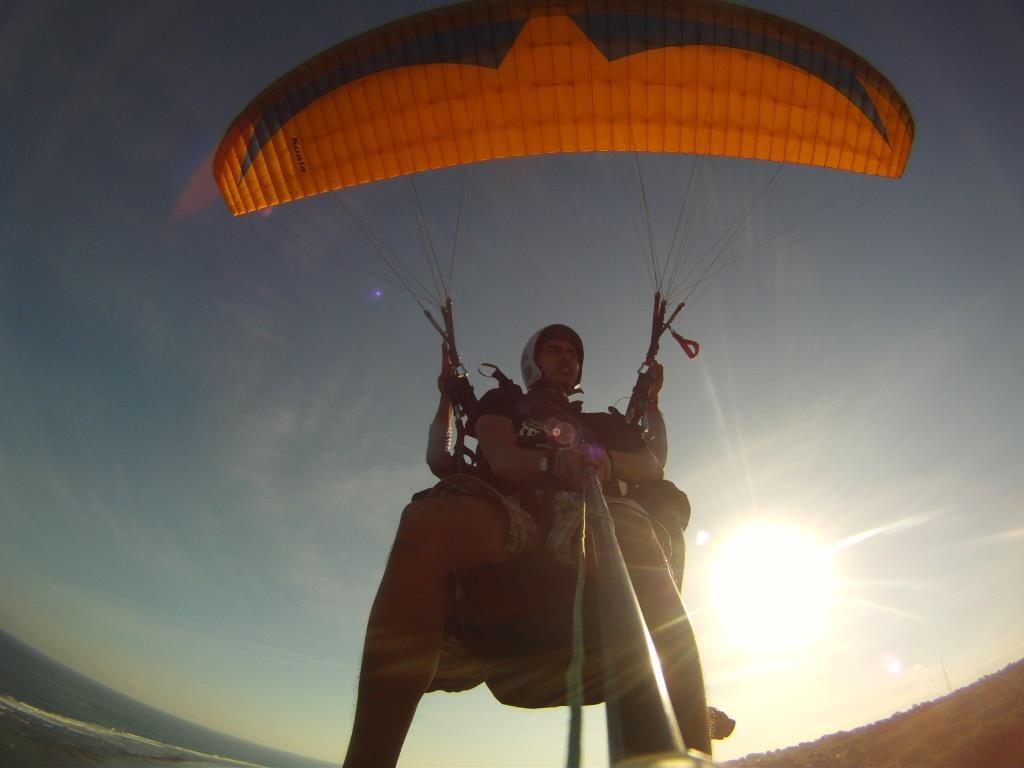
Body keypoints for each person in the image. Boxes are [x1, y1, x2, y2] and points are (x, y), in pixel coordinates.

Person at [342, 325, 712, 767]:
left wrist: (638, 418)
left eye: (573, 353)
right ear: (533, 361)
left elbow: (654, 463)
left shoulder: (603, 424)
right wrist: (454, 403)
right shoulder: (504, 404)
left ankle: (684, 721)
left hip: (588, 514)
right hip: (515, 513)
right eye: (554, 350)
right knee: (427, 520)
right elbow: (485, 458)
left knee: (635, 533)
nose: (566, 358)